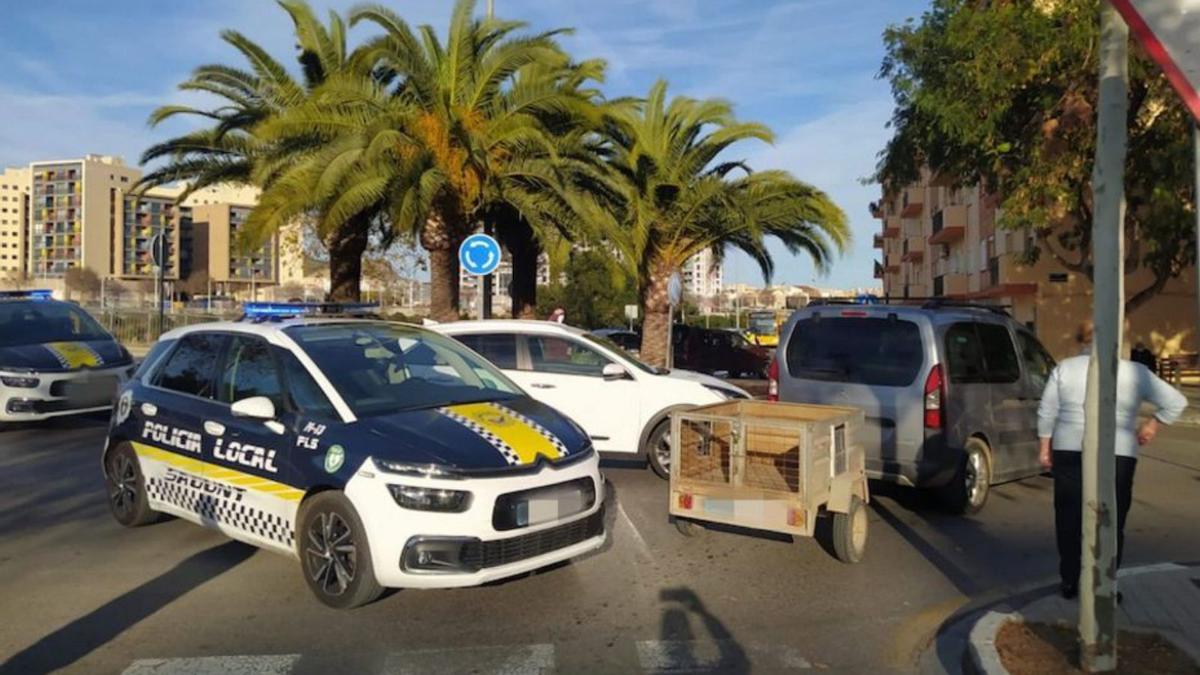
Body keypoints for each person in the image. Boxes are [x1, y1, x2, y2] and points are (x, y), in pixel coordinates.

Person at [1037, 321, 1187, 599]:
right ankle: (1103, 583)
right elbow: (1176, 402)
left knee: (1069, 518)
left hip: (1069, 447)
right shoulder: (1136, 372)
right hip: (1118, 451)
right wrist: (1153, 424)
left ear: (1082, 340)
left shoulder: (1065, 368)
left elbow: (1047, 410)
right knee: (1111, 519)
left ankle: (1071, 581)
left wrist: (1044, 447)